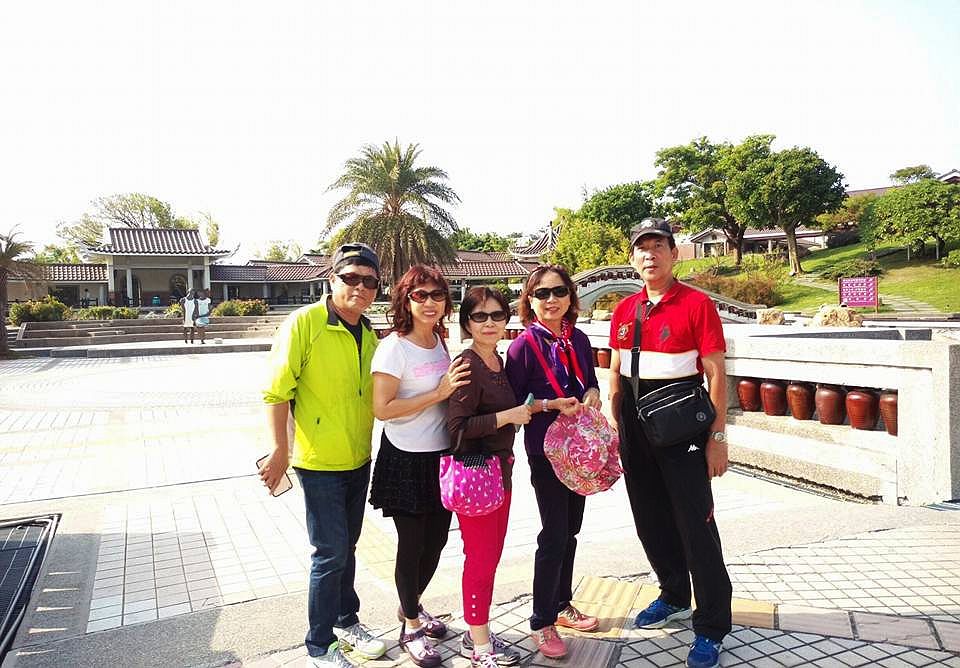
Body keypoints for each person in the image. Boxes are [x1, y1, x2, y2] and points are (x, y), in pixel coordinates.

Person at [608, 218, 732, 668]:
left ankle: (712, 626)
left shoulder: (697, 304)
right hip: (635, 426)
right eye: (642, 248)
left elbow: (716, 373)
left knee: (696, 524)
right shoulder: (625, 309)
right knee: (650, 518)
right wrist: (616, 424)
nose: (650, 255)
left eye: (659, 246)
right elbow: (616, 368)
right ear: (632, 258)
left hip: (682, 428)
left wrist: (718, 437)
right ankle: (674, 593)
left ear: (674, 254)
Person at [260, 242, 387, 668]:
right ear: (331, 279)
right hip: (317, 463)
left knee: (347, 547)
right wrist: (280, 450)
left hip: (358, 457)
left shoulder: (369, 333)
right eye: (350, 278)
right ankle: (318, 644)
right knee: (330, 552)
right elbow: (276, 392)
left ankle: (346, 620)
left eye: (370, 282)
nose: (361, 288)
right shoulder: (305, 323)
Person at [369, 265, 471, 668]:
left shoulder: (439, 341)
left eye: (437, 295)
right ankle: (410, 626)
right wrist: (438, 393)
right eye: (420, 295)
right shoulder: (394, 347)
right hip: (405, 457)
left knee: (438, 541)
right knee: (411, 545)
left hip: (440, 456)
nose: (430, 302)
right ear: (405, 301)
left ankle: (410, 604)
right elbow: (382, 409)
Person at [504, 264, 602, 660]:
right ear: (529, 300)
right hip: (545, 451)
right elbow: (514, 405)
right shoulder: (522, 347)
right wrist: (550, 404)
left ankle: (562, 604)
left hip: (579, 448)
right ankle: (541, 620)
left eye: (559, 291)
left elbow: (590, 381)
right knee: (554, 533)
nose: (551, 299)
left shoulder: (578, 338)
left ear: (570, 297)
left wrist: (592, 394)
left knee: (571, 530)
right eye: (541, 293)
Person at [447, 287, 530, 668]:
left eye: (497, 315)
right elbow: (457, 429)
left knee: (491, 557)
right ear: (467, 323)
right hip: (476, 475)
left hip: (500, 472)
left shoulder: (498, 360)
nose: (490, 323)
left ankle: (476, 631)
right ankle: (479, 647)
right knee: (480, 560)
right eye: (480, 316)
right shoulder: (467, 366)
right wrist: (506, 417)